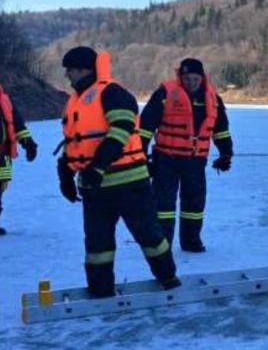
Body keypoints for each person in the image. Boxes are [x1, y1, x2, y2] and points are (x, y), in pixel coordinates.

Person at [56, 46, 179, 297]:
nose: (67, 75)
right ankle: (100, 290)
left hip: (129, 183)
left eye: (71, 70)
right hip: (94, 187)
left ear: (85, 69)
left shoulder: (112, 93)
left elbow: (121, 129)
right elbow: (76, 143)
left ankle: (168, 279)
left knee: (149, 236)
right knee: (97, 244)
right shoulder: (76, 101)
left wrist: (98, 166)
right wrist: (66, 174)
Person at [138, 58, 232, 253]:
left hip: (196, 161)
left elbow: (221, 130)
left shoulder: (213, 98)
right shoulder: (165, 93)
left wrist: (226, 154)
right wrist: (141, 156)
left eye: (195, 78)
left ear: (202, 78)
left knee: (194, 204)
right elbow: (146, 126)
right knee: (163, 205)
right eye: (187, 78)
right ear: (180, 77)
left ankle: (191, 241)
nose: (191, 82)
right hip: (166, 159)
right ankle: (162, 245)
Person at [0, 82, 39, 235]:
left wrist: (28, 142)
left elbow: (16, 123)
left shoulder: (3, 97)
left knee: (1, 187)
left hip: (2, 155)